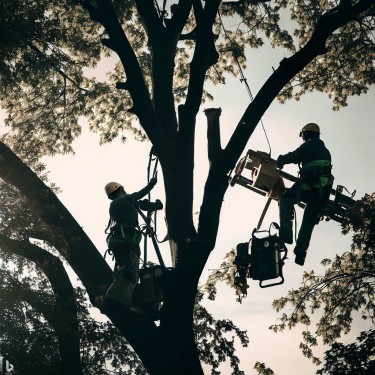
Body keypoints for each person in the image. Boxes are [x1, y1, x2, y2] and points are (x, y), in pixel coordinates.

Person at [276, 123, 333, 266]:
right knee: (308, 221)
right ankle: (300, 254)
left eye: (303, 136)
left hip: (309, 185)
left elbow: (294, 156)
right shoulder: (324, 150)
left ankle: (286, 236)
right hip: (322, 192)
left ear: (306, 134)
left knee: (285, 200)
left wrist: (280, 160)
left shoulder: (309, 145)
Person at [104, 177, 157, 307]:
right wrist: (151, 184)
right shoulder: (125, 199)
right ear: (120, 189)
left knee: (124, 270)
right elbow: (139, 195)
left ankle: (121, 298)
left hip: (120, 241)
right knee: (130, 272)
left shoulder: (118, 204)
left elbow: (140, 205)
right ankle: (119, 300)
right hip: (127, 240)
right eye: (123, 189)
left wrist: (155, 206)